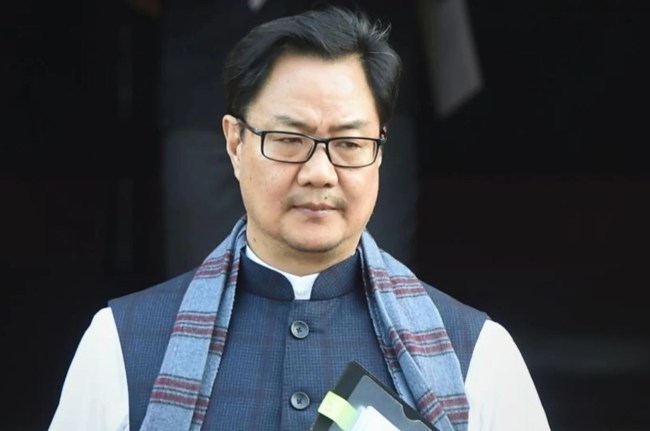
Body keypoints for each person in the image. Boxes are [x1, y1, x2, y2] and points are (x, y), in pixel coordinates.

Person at [49, 5, 550, 431]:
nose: (318, 173)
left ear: (380, 152)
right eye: (289, 140)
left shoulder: (477, 354)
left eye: (349, 143)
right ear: (235, 144)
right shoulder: (121, 344)